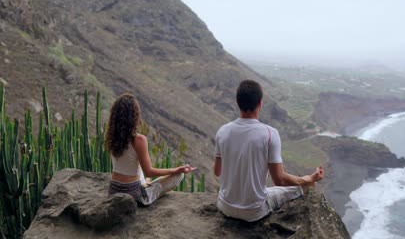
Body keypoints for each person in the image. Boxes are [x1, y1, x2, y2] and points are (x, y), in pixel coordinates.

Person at [214, 80, 324, 222]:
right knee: (307, 186)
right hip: (254, 212)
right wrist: (307, 179)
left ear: (237, 102)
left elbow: (217, 171)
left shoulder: (222, 131)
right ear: (260, 103)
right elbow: (279, 180)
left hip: (224, 206)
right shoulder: (270, 134)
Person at [106, 93, 196, 206]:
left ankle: (145, 183)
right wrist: (177, 169)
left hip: (113, 190)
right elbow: (149, 171)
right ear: (134, 116)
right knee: (179, 176)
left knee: (137, 168)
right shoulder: (139, 139)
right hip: (135, 195)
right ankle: (146, 185)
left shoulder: (111, 136)